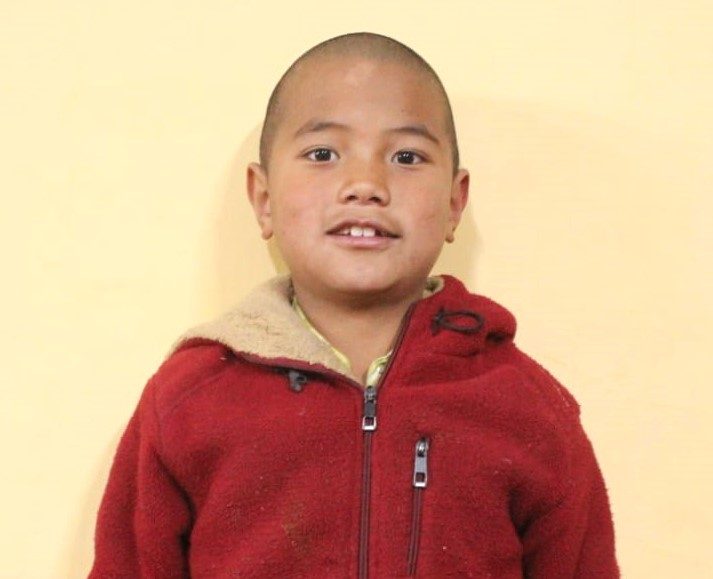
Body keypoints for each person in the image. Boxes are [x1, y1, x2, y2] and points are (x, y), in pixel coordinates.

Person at [89, 32, 619, 578]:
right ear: (264, 199)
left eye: (407, 157)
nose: (365, 185)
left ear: (454, 202)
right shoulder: (189, 400)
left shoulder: (528, 410)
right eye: (323, 154)